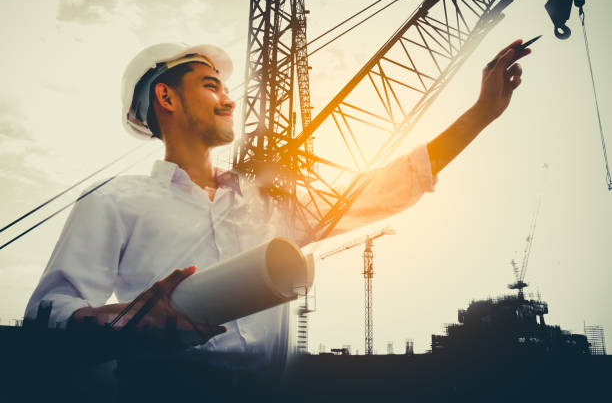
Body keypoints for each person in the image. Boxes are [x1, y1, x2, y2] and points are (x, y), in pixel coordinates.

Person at [24, 39, 530, 390]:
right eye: (211, 86)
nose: (228, 99)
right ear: (165, 96)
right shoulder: (114, 201)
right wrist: (122, 322)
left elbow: (385, 186)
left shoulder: (270, 205)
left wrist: (481, 113)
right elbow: (48, 319)